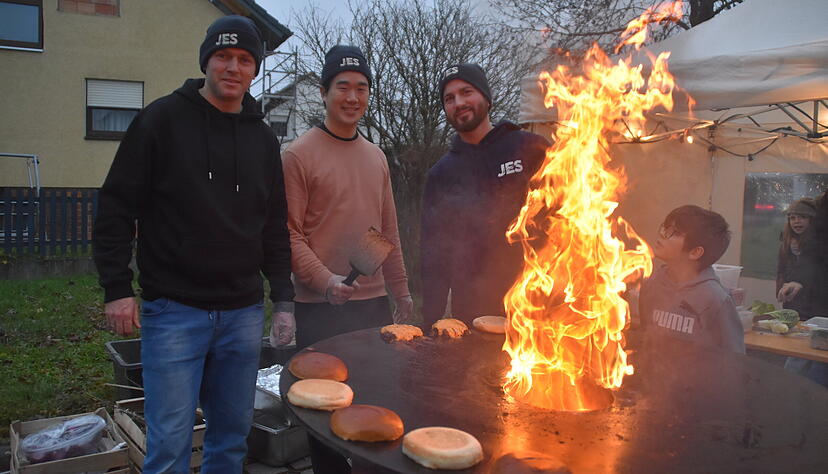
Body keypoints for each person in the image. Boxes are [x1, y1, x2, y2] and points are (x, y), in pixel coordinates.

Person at [92, 15, 294, 474]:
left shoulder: (263, 139)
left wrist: (282, 299)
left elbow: (274, 227)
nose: (233, 67)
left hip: (243, 314)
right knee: (170, 442)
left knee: (231, 438)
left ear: (255, 69)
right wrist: (117, 287)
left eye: (245, 59)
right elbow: (115, 206)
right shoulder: (161, 120)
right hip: (174, 312)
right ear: (206, 60)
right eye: (222, 55)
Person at [279, 44, 412, 474]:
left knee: (375, 411)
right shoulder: (298, 155)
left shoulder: (376, 157)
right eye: (343, 87)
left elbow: (387, 235)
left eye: (361, 88)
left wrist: (402, 294)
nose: (352, 97)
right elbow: (289, 232)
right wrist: (325, 280)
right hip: (318, 309)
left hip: (372, 308)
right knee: (324, 421)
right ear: (323, 92)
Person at [420, 63, 550, 329]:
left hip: (537, 304)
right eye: (449, 98)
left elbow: (569, 217)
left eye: (466, 92)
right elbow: (433, 254)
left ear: (486, 98)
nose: (458, 102)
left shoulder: (530, 148)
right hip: (472, 313)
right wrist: (430, 322)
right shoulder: (441, 173)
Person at [638, 205, 745, 354]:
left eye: (674, 233)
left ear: (695, 252)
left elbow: (734, 360)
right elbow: (645, 338)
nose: (663, 235)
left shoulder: (715, 299)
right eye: (665, 227)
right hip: (656, 375)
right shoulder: (652, 285)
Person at [776, 197, 820, 320]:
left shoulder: (819, 244)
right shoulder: (786, 243)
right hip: (792, 304)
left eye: (802, 217)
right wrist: (781, 288)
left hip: (815, 307)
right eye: (792, 218)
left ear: (812, 220)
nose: (797, 221)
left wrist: (801, 284)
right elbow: (781, 270)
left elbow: (819, 275)